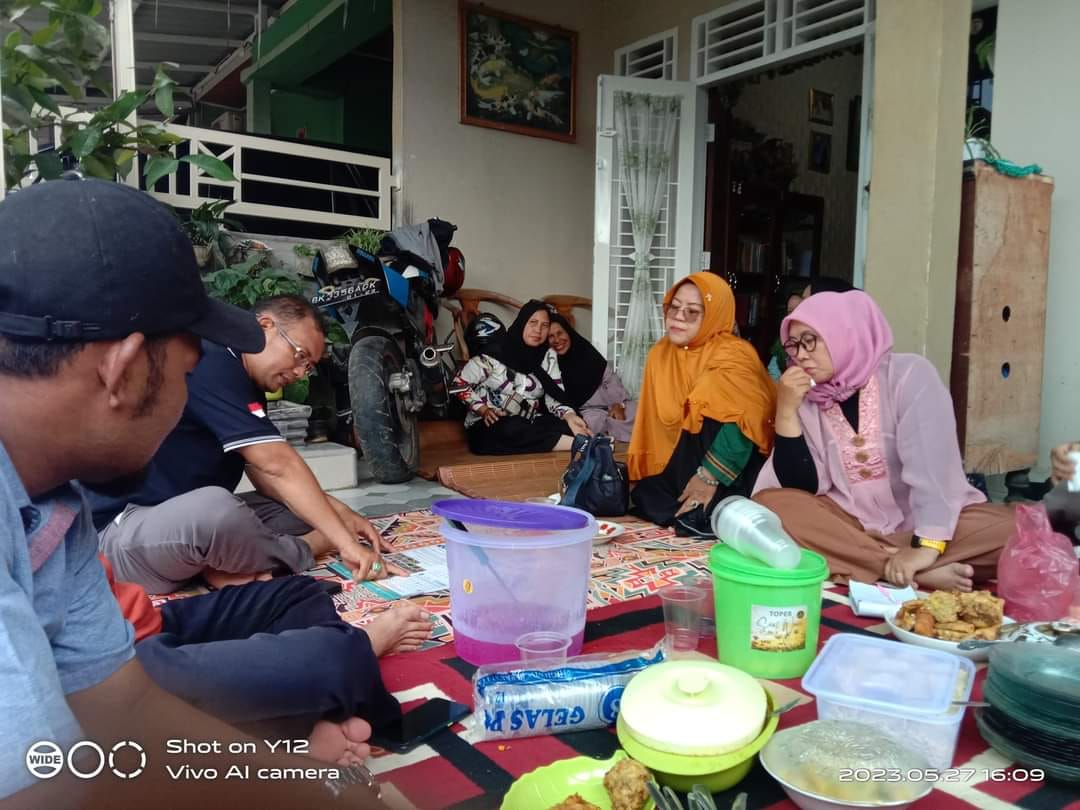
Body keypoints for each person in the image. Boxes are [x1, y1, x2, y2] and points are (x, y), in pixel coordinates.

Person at [0, 177, 384, 806]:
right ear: (124, 371)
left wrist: (312, 787)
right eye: (185, 373)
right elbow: (43, 788)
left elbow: (124, 707)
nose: (188, 397)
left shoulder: (52, 503)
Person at [86, 294, 404, 594]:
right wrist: (344, 542)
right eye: (300, 355)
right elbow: (276, 464)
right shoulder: (210, 361)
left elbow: (263, 475)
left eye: (308, 366)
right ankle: (305, 548)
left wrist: (343, 515)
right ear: (265, 326)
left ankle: (227, 561)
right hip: (119, 531)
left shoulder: (246, 380)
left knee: (300, 511)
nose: (299, 372)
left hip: (174, 516)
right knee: (217, 512)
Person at [753, 290, 1013, 590]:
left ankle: (871, 563)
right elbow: (801, 487)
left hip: (926, 523)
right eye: (793, 345)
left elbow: (933, 468)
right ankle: (899, 570)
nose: (800, 354)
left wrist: (926, 546)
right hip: (849, 525)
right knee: (771, 507)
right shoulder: (807, 398)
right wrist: (786, 411)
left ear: (844, 332)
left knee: (1018, 531)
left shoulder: (908, 375)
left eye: (810, 340)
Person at [108, 558, 431, 759]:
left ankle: (289, 715)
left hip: (140, 625)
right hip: (117, 672)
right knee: (339, 659)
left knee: (299, 593)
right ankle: (361, 651)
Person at [628, 273, 777, 532]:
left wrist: (709, 476)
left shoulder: (733, 354)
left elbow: (743, 425)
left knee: (704, 515)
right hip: (681, 459)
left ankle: (710, 506)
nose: (678, 317)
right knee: (643, 495)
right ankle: (692, 508)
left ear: (713, 317)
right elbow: (655, 427)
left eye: (692, 312)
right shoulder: (661, 353)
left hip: (725, 465)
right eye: (674, 307)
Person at [453, 300, 590, 455]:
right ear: (522, 322)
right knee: (509, 429)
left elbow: (554, 395)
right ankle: (581, 445)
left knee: (566, 425)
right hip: (490, 423)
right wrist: (483, 409)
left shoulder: (548, 357)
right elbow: (458, 384)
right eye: (533, 322)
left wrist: (569, 415)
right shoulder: (493, 354)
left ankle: (581, 442)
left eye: (544, 325)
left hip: (528, 421)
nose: (538, 330)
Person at [547, 312, 637, 442]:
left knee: (637, 411)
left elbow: (610, 379)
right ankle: (612, 435)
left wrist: (618, 405)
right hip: (586, 412)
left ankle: (612, 434)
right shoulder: (550, 364)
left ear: (568, 332)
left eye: (560, 333)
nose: (557, 340)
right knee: (590, 424)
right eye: (550, 336)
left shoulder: (585, 350)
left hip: (611, 404)